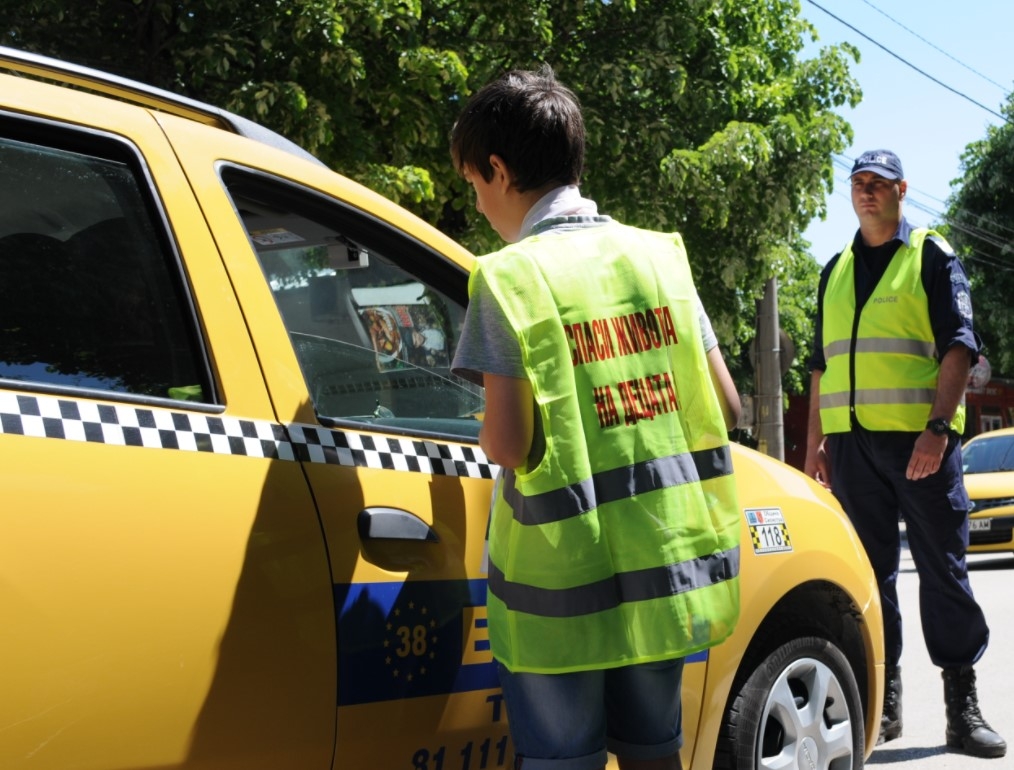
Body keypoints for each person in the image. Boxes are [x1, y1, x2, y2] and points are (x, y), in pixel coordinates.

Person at [448, 66, 742, 770]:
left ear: (499, 170)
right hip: (662, 575)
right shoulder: (662, 260)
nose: (478, 204)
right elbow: (727, 406)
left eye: (474, 184)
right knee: (653, 757)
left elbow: (508, 443)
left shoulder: (509, 277)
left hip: (558, 594)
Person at [804, 149, 1006, 759]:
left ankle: (961, 707)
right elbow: (820, 366)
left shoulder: (931, 256)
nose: (867, 192)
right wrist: (816, 445)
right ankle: (884, 704)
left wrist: (938, 428)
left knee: (943, 570)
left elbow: (959, 347)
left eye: (879, 183)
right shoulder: (835, 270)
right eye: (858, 183)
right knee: (869, 577)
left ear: (901, 190)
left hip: (921, 444)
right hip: (851, 447)